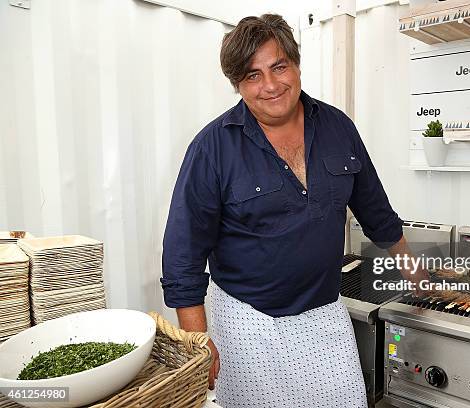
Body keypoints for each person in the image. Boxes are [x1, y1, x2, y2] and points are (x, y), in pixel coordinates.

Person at [161, 13, 428, 408]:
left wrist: (414, 270)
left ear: (296, 64)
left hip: (324, 313)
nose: (270, 85)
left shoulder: (339, 128)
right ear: (238, 84)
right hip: (246, 321)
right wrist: (200, 342)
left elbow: (376, 211)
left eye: (278, 67)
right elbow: (183, 255)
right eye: (252, 75)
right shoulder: (212, 148)